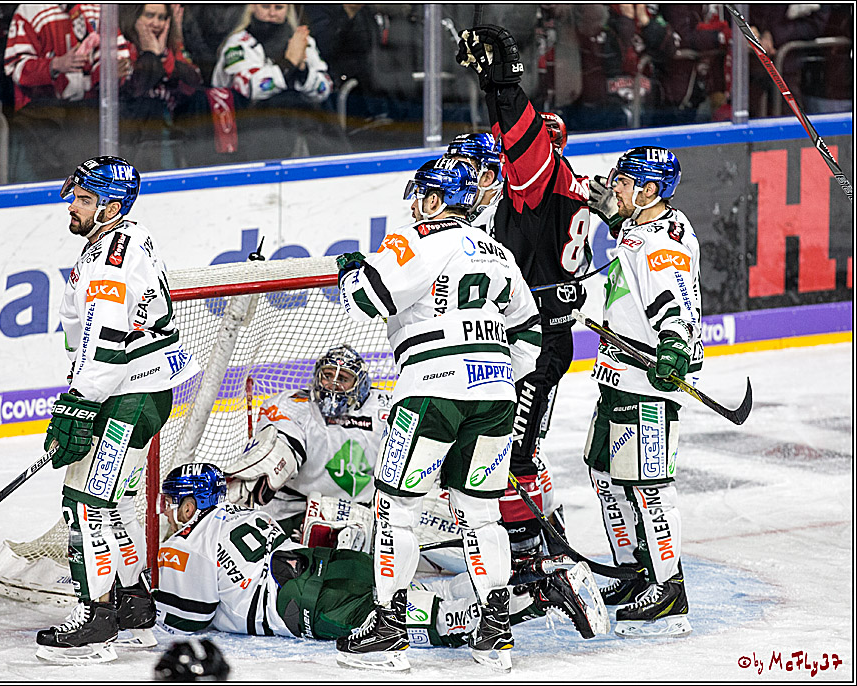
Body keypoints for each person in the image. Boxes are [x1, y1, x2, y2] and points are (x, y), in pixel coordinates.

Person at [335, 157, 543, 672]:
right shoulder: (498, 253)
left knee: (396, 508)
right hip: (496, 395)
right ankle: (495, 635)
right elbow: (530, 337)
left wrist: (351, 273)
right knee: (482, 514)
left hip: (431, 392)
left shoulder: (415, 240)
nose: (413, 206)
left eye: (420, 196)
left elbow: (365, 299)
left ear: (434, 199)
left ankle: (388, 629)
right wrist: (491, 373)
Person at [153, 463, 606, 665]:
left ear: (193, 504)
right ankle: (534, 572)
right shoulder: (243, 514)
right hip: (332, 563)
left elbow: (190, 619)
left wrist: (147, 602)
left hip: (304, 600)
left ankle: (542, 592)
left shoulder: (185, 545)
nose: (169, 509)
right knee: (426, 593)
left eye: (175, 500)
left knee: (438, 621)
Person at [33, 155, 201, 663]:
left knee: (84, 503)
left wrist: (80, 403)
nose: (73, 206)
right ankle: (133, 605)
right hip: (137, 391)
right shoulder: (121, 239)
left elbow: (105, 339)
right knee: (114, 503)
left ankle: (97, 615)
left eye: (85, 199)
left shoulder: (111, 259)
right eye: (75, 196)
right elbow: (83, 332)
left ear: (110, 207)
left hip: (127, 394)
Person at [456, 25, 594, 573]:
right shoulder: (559, 186)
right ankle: (547, 532)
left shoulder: (543, 181)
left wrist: (506, 83)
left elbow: (520, 141)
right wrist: (492, 93)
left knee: (512, 451)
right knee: (518, 444)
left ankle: (529, 555)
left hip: (535, 344)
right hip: (534, 334)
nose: (500, 164)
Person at [582, 146, 701, 639]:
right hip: (617, 373)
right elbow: (632, 243)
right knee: (603, 471)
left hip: (647, 378)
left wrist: (675, 347)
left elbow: (677, 300)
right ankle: (635, 570)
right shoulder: (640, 226)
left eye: (626, 183)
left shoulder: (663, 243)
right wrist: (614, 215)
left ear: (651, 190)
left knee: (649, 486)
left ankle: (669, 589)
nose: (617, 187)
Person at [221, 343, 389, 537]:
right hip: (294, 509)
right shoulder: (291, 404)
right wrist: (263, 468)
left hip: (363, 512)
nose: (333, 384)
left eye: (343, 379)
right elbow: (282, 444)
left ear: (360, 385)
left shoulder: (384, 408)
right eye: (327, 375)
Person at [3, 4, 131, 183]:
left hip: (86, 115)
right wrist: (54, 65)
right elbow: (15, 67)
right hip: (40, 116)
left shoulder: (99, 9)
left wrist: (111, 71)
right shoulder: (30, 10)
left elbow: (117, 58)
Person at [211, 3, 338, 160]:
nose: (272, 13)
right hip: (247, 127)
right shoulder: (237, 44)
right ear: (252, 7)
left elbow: (325, 88)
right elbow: (249, 88)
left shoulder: (302, 41)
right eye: (265, 7)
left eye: (279, 7)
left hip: (301, 125)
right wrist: (288, 65)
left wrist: (303, 71)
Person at [118, 3, 208, 172]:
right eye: (149, 15)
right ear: (135, 17)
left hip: (174, 133)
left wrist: (166, 54)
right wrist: (150, 55)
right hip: (137, 139)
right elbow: (133, 93)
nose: (156, 23)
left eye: (162, 17)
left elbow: (195, 83)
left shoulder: (172, 48)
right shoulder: (124, 48)